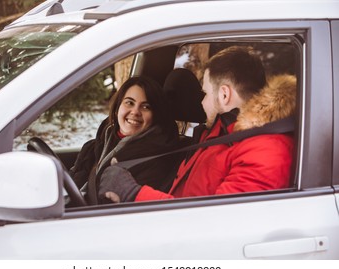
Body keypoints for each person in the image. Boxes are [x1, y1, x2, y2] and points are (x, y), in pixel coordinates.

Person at [98, 46, 296, 203]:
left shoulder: (265, 151)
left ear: (224, 95)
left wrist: (133, 193)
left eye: (205, 93)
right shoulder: (219, 133)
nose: (201, 102)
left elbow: (215, 222)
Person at [69, 75, 183, 204]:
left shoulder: (157, 160)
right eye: (129, 102)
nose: (135, 112)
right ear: (118, 108)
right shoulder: (94, 147)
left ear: (155, 116)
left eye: (146, 107)